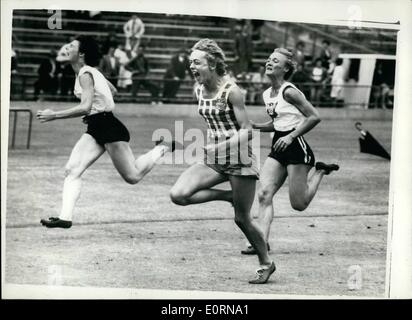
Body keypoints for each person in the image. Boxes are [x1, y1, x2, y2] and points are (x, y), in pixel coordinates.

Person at [37, 36, 175, 229]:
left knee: (133, 176)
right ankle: (65, 217)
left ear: (81, 54)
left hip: (108, 127)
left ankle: (162, 148)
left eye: (72, 46)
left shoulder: (85, 74)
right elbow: (113, 90)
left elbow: (85, 107)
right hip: (96, 126)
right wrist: (101, 97)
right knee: (72, 170)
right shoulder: (91, 72)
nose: (66, 48)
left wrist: (54, 115)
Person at [169, 39, 275, 284]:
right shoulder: (198, 90)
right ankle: (228, 196)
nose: (192, 67)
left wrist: (220, 145)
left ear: (213, 63)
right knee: (178, 195)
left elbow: (248, 130)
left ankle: (266, 263)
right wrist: (214, 149)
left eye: (197, 62)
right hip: (214, 159)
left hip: (240, 159)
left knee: (242, 219)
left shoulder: (231, 90)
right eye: (190, 63)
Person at [241, 48, 339, 255]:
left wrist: (291, 136)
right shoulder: (267, 94)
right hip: (279, 146)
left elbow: (314, 116)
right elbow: (278, 123)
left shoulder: (290, 91)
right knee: (264, 194)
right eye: (268, 59)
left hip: (296, 147)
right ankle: (260, 242)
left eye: (275, 61)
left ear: (285, 68)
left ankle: (320, 171)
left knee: (299, 204)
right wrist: (255, 126)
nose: (269, 62)